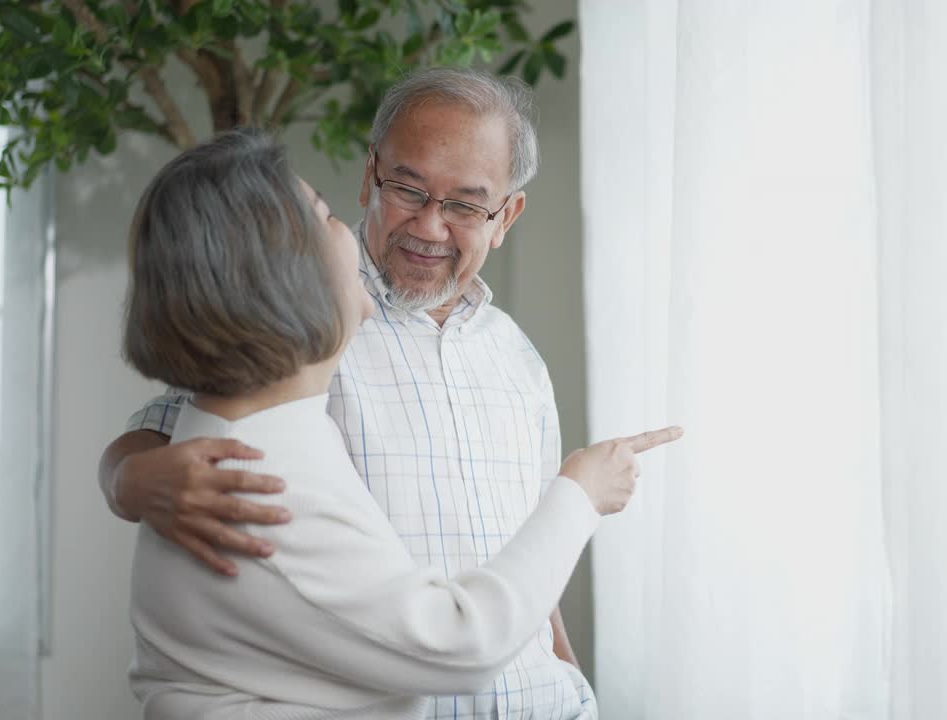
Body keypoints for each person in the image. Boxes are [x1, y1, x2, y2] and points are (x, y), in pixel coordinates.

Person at [99, 68, 633, 718]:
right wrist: (127, 480)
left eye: (464, 205)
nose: (430, 226)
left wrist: (570, 683)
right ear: (370, 175)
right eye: (409, 188)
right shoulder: (300, 326)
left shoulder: (517, 359)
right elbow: (181, 433)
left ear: (505, 216)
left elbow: (527, 560)